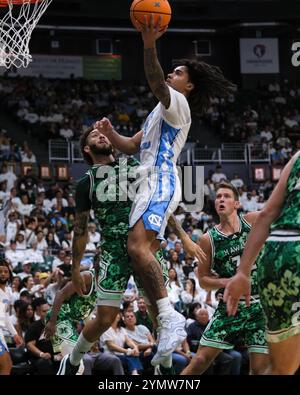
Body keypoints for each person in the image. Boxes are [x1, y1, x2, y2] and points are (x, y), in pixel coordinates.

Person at [95, 15, 235, 366]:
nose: (172, 74)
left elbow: (156, 80)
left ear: (188, 87)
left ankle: (170, 317)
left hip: (160, 180)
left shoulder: (178, 104)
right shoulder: (159, 111)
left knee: (136, 248)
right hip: (147, 181)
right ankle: (165, 345)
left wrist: (148, 42)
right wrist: (112, 134)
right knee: (140, 259)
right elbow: (130, 146)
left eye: (179, 73)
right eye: (172, 70)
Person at [57, 127, 205, 375]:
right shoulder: (87, 182)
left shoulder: (134, 166)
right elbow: (80, 230)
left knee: (161, 316)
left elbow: (158, 204)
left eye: (102, 133)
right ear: (86, 148)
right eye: (94, 136)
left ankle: (164, 370)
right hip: (114, 250)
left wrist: (184, 237)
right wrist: (74, 268)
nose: (101, 135)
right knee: (105, 318)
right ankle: (72, 360)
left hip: (143, 244)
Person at [224, 152, 300, 374]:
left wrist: (243, 272)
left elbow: (266, 214)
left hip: (277, 254)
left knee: (281, 369)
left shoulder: (297, 157)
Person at [182, 182, 269, 375]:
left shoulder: (254, 221)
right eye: (218, 196)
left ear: (237, 203)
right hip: (231, 305)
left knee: (261, 369)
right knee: (200, 360)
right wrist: (229, 282)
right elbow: (203, 280)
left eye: (226, 196)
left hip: (260, 305)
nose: (221, 199)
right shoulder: (207, 239)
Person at [0, 260, 23, 374]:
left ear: (9, 274)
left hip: (1, 332)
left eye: (5, 271)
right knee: (6, 364)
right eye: (0, 271)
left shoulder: (8, 291)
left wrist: (14, 334)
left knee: (6, 365)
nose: (3, 274)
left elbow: (6, 316)